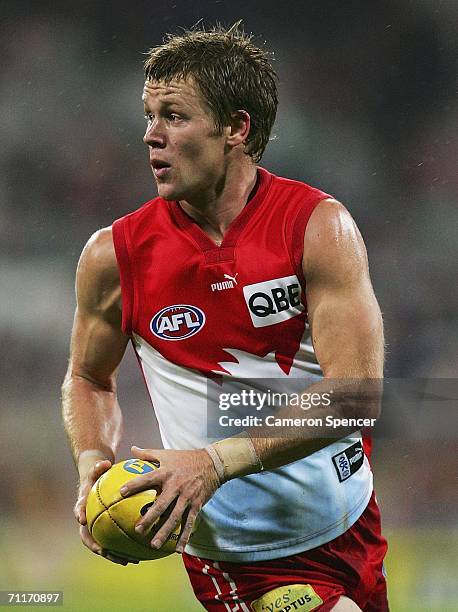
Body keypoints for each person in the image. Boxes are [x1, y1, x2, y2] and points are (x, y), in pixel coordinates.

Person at [62, 23, 388, 611]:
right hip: (240, 559)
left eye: (174, 116)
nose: (151, 137)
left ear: (236, 128)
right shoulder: (115, 256)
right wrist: (93, 460)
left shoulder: (317, 226)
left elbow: (356, 395)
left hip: (352, 523)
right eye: (148, 115)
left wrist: (212, 463)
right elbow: (87, 379)